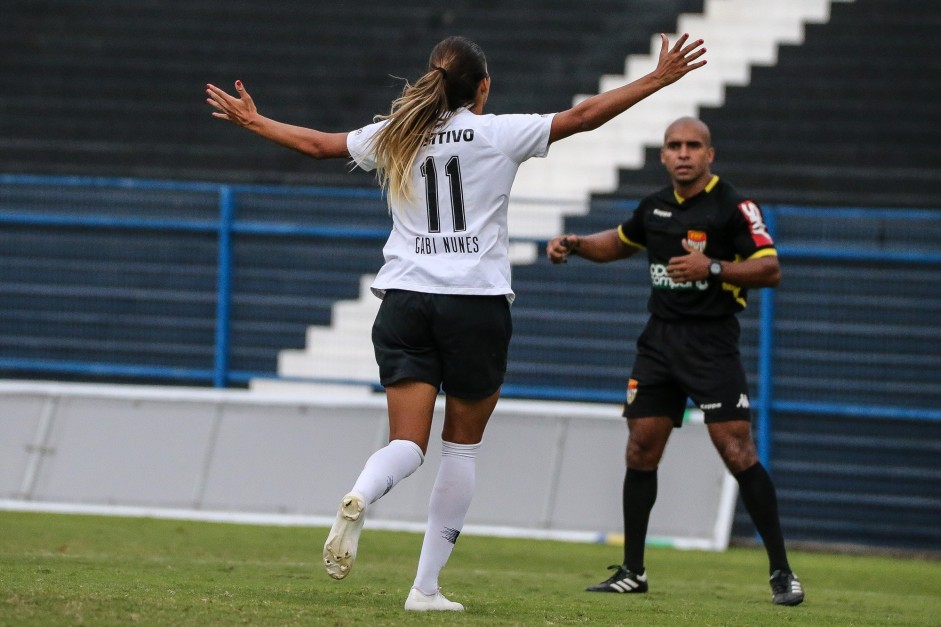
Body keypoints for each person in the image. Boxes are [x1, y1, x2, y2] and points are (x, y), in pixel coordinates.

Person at [206, 34, 706, 612]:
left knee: (406, 443)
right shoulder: (499, 133)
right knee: (460, 450)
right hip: (473, 304)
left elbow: (319, 146)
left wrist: (254, 121)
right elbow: (584, 116)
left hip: (403, 302)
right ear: (483, 88)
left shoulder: (398, 133)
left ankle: (362, 492)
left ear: (432, 81)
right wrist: (658, 78)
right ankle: (425, 590)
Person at [545, 117, 804, 606]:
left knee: (736, 450)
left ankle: (782, 572)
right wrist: (577, 245)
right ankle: (633, 571)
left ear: (710, 154)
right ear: (662, 156)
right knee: (641, 449)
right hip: (659, 345)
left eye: (693, 146)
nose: (683, 153)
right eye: (674, 146)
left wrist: (713, 267)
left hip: (712, 345)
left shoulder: (734, 207)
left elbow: (770, 268)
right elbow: (619, 243)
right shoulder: (655, 207)